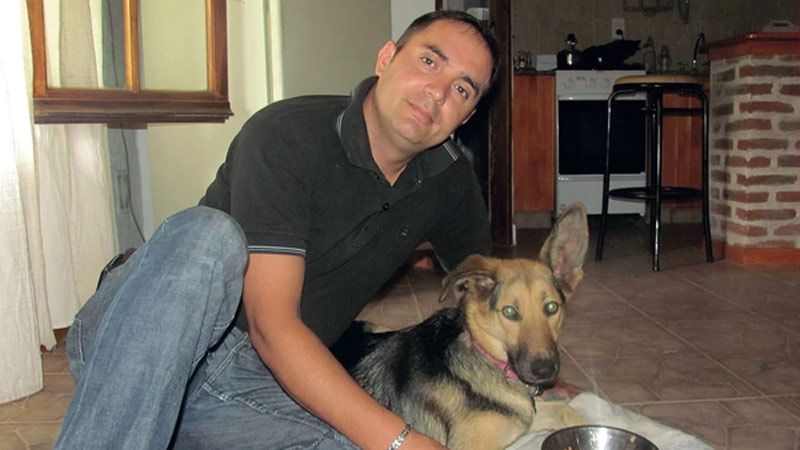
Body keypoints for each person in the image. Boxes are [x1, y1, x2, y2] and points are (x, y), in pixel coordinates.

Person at [55, 10, 499, 450]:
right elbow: (271, 325)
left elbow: (496, 292)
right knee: (206, 235)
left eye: (462, 89)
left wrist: (519, 372)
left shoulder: (450, 181)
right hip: (142, 336)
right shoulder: (288, 134)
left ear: (466, 116)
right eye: (429, 61)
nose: (438, 92)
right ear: (386, 58)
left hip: (246, 386)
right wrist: (400, 440)